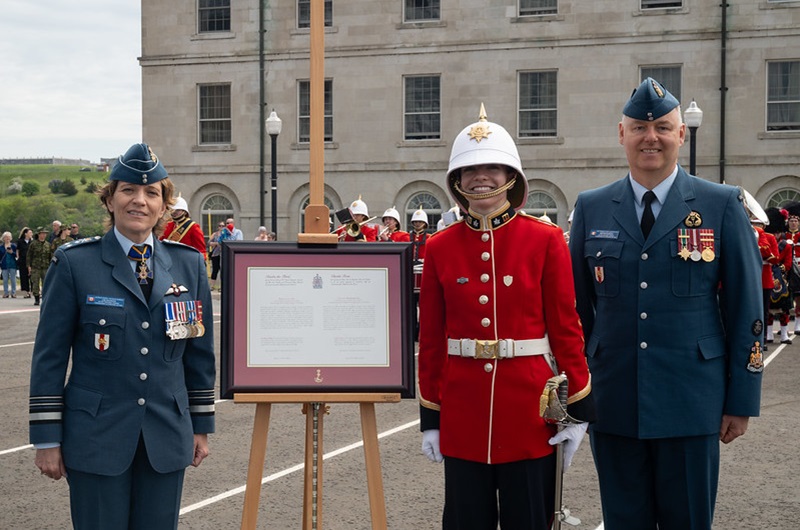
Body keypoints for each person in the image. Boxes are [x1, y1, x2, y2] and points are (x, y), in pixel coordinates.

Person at [569, 78, 763, 530]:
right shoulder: (592, 207)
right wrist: (577, 392)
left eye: (662, 127)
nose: (650, 137)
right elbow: (577, 311)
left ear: (682, 134)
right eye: (639, 127)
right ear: (621, 134)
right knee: (623, 521)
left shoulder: (720, 204)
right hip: (614, 400)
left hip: (692, 400)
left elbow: (746, 309)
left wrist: (741, 399)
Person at [418, 105, 594, 529]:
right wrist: (432, 419)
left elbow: (566, 328)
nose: (482, 177)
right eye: (470, 169)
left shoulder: (546, 239)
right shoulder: (439, 247)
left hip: (530, 414)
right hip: (463, 414)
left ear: (511, 176)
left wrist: (578, 411)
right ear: (457, 181)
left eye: (493, 167)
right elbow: (432, 341)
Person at [29, 142, 216, 529]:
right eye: (128, 190)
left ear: (163, 205)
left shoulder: (188, 265)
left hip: (165, 435)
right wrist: (47, 437)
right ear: (110, 200)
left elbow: (197, 354)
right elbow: (49, 356)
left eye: (151, 193)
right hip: (96, 438)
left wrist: (200, 426)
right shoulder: (74, 264)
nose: (139, 201)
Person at [764, 207, 793, 344]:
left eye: (778, 232)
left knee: (784, 309)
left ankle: (784, 335)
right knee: (769, 308)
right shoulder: (766, 241)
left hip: (781, 279)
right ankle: (769, 334)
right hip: (767, 276)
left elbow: (787, 264)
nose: (776, 235)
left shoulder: (785, 246)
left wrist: (778, 269)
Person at [27, 226, 52, 306]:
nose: (44, 235)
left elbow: (50, 256)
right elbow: (29, 256)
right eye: (42, 233)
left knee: (46, 284)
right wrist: (28, 266)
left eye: (45, 234)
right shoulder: (33, 244)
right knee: (35, 284)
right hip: (35, 267)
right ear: (38, 234)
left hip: (45, 267)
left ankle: (45, 299)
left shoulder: (48, 245)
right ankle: (37, 299)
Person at [208, 221, 227, 290]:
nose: (221, 227)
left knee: (223, 270)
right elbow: (209, 242)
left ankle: (222, 286)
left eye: (223, 226)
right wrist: (216, 243)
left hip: (224, 254)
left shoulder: (226, 234)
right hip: (216, 254)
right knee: (215, 270)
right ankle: (212, 286)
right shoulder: (215, 234)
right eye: (220, 226)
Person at [16, 227, 33, 299]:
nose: (31, 234)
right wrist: (18, 258)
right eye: (29, 233)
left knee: (31, 276)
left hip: (31, 261)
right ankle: (26, 292)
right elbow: (17, 250)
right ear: (25, 234)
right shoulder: (20, 241)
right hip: (23, 261)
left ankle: (33, 291)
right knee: (24, 277)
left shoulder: (32, 242)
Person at [1, 231, 18, 298]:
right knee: (5, 280)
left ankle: (13, 293)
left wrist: (12, 252)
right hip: (4, 265)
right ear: (3, 238)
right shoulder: (1, 247)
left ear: (11, 238)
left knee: (13, 279)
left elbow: (17, 255)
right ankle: (6, 293)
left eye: (9, 237)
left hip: (12, 264)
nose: (7, 238)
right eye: (6, 237)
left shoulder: (14, 246)